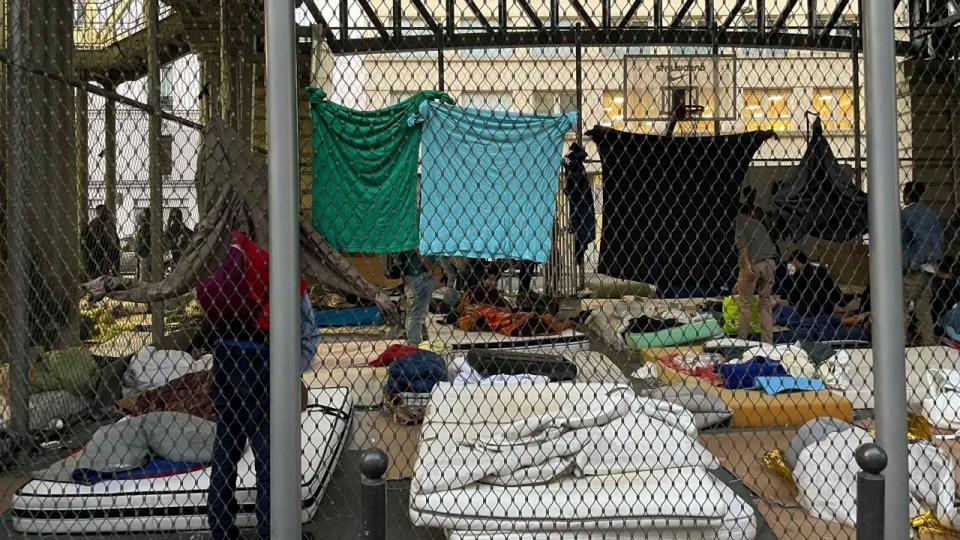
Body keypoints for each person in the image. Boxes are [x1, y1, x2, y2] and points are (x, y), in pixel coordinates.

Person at [197, 229, 317, 540]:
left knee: (226, 446)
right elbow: (308, 332)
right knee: (269, 453)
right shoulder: (283, 266)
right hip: (260, 361)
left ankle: (221, 527)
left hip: (225, 356)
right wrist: (293, 374)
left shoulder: (224, 261)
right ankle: (271, 530)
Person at [901, 181, 943, 345]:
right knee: (923, 305)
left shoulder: (906, 214)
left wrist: (914, 263)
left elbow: (920, 239)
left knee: (901, 304)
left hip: (914, 266)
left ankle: (899, 343)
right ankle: (929, 341)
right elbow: (938, 239)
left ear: (906, 195)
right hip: (930, 267)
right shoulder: (932, 214)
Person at [734, 202, 779, 343]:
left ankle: (741, 341)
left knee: (745, 304)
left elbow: (743, 247)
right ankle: (768, 343)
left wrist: (746, 270)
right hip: (771, 262)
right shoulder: (760, 225)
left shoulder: (740, 220)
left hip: (754, 264)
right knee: (765, 305)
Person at [785, 250, 844, 318]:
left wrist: (788, 300)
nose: (794, 267)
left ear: (796, 261)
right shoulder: (822, 270)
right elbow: (834, 290)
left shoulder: (799, 273)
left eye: (793, 264)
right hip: (827, 309)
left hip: (808, 311)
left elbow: (795, 294)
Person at [400, 250, 434, 345]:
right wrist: (431, 269)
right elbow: (420, 251)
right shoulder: (418, 236)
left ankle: (412, 341)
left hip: (411, 277)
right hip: (420, 277)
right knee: (417, 314)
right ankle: (414, 343)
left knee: (412, 312)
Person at [81, 204, 121, 278]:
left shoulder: (92, 223)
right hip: (101, 251)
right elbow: (112, 240)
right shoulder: (104, 223)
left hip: (95, 252)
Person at [132, 209, 153, 280]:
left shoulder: (146, 227)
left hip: (145, 255)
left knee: (144, 277)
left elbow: (144, 242)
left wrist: (139, 252)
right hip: (144, 254)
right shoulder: (143, 228)